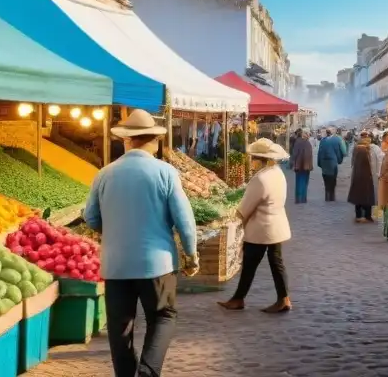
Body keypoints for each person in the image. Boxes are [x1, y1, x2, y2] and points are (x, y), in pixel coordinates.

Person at [83, 110, 200, 377]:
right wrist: (191, 256)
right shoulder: (165, 172)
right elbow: (184, 220)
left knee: (120, 327)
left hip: (116, 265)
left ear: (126, 141)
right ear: (155, 142)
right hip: (156, 265)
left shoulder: (105, 173)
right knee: (162, 317)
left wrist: (113, 233)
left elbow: (90, 216)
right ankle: (148, 372)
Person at [218, 139, 293, 314]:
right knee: (276, 263)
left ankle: (238, 299)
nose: (251, 161)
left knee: (251, 263)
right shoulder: (277, 172)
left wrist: (237, 220)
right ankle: (283, 298)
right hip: (276, 225)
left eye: (253, 158)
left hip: (261, 228)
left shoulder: (260, 178)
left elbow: (245, 207)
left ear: (260, 159)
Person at [348, 132, 377, 222]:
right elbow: (373, 162)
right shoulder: (369, 148)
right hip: (367, 175)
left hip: (357, 174)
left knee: (358, 195)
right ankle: (368, 216)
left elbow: (352, 161)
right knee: (367, 195)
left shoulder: (356, 148)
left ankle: (358, 215)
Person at [317, 128, 345, 201]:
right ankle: (331, 196)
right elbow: (339, 152)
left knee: (326, 180)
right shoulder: (337, 140)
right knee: (333, 180)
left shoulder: (322, 140)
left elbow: (319, 152)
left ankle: (327, 195)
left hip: (324, 164)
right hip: (332, 164)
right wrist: (339, 160)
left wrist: (319, 163)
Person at [291, 130, 314, 204]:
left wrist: (291, 164)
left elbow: (294, 154)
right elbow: (310, 156)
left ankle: (299, 199)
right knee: (304, 182)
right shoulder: (308, 143)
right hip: (306, 166)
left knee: (299, 182)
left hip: (299, 166)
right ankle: (303, 199)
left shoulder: (298, 142)